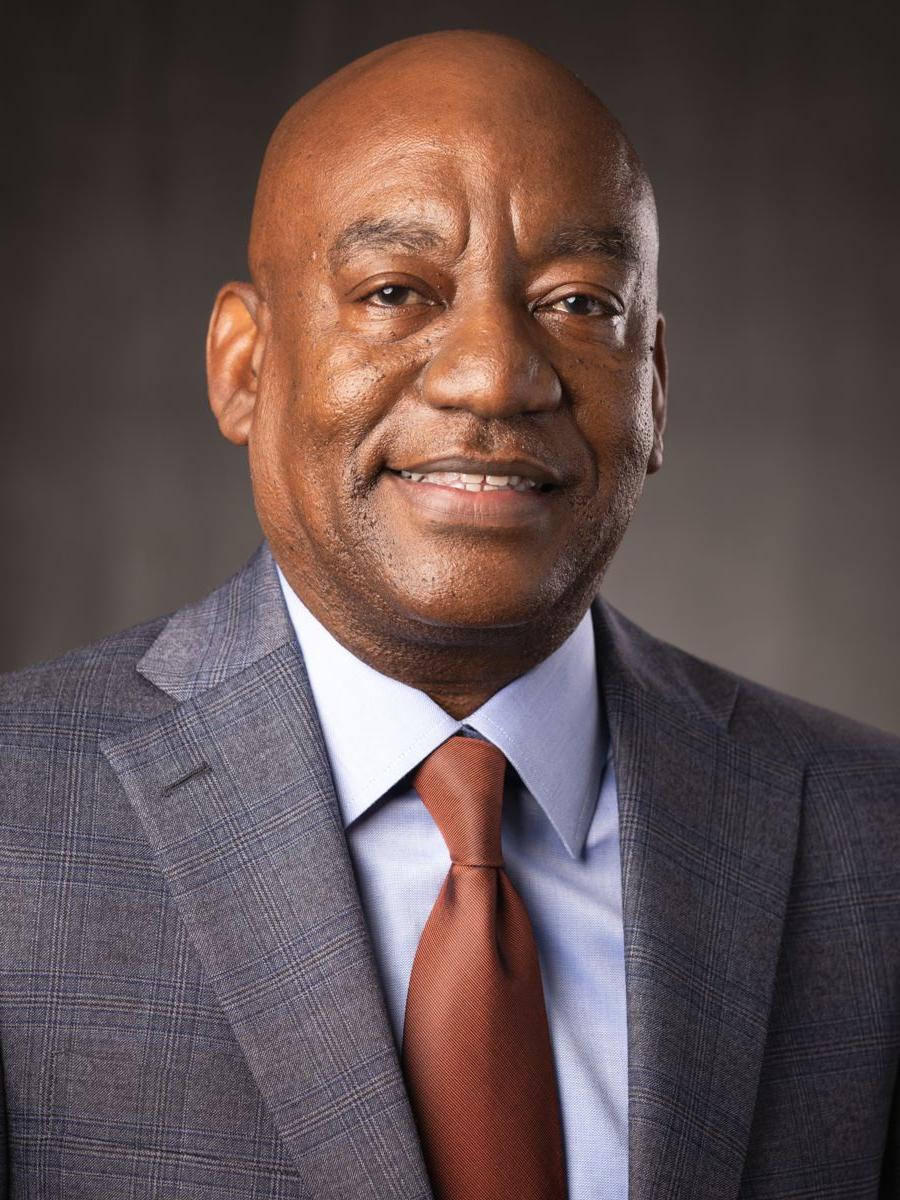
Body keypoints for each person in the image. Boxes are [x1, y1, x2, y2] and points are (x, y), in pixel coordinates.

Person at [1, 28, 898, 1200]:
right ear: (243, 366)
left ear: (657, 391)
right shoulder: (18, 814)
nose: (492, 374)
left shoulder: (872, 840)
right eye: (394, 292)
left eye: (579, 301)